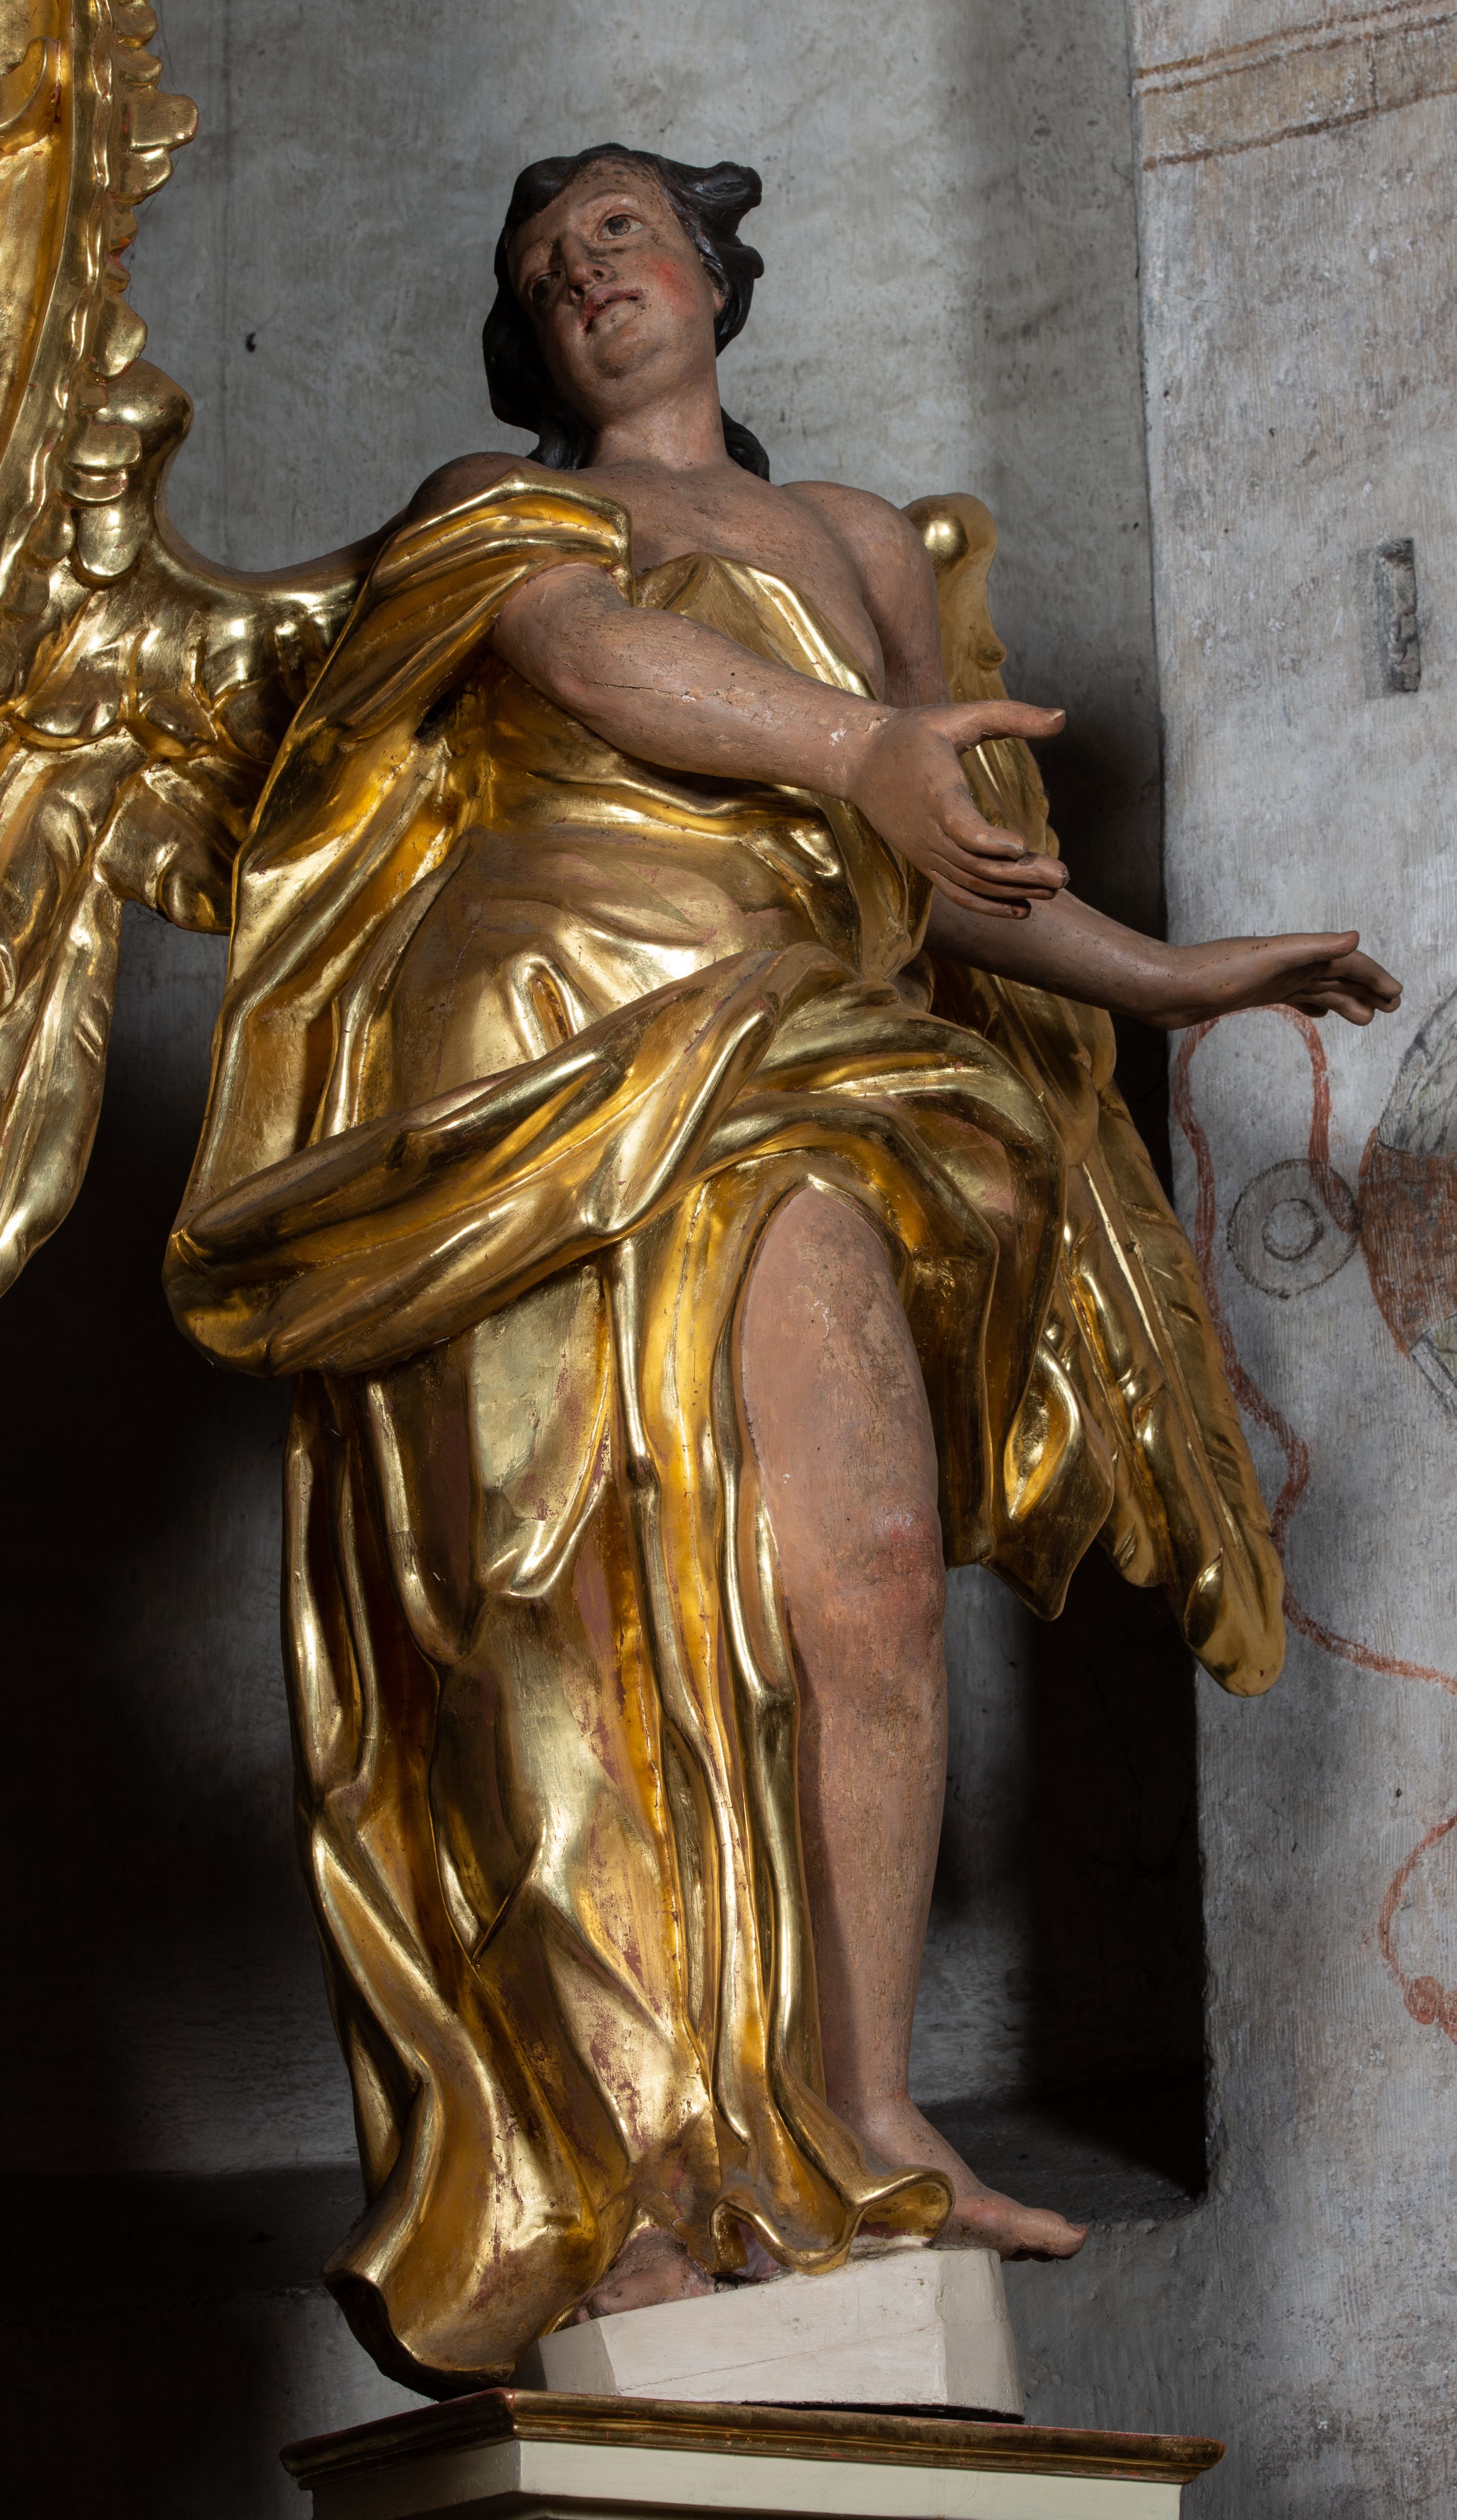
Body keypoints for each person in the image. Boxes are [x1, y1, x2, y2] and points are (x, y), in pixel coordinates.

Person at [163, 146, 1399, 2391]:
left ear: (715, 276)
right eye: (547, 265)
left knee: (870, 1569)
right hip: (534, 1051)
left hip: (801, 1048)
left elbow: (961, 849)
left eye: (620, 231)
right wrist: (853, 748)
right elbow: (592, 659)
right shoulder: (500, 507)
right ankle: (624, 2187)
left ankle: (869, 2115)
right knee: (566, 1607)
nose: (587, 274)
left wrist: (1173, 979)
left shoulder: (852, 542)